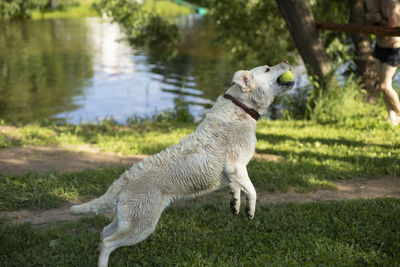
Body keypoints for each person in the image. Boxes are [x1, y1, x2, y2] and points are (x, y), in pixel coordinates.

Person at [367, 0, 400, 125]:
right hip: (379, 46)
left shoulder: (393, 3)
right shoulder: (376, 2)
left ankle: (398, 112)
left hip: (393, 48)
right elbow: (369, 18)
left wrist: (377, 19)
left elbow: (391, 25)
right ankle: (392, 116)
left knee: (384, 86)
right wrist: (371, 17)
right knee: (384, 87)